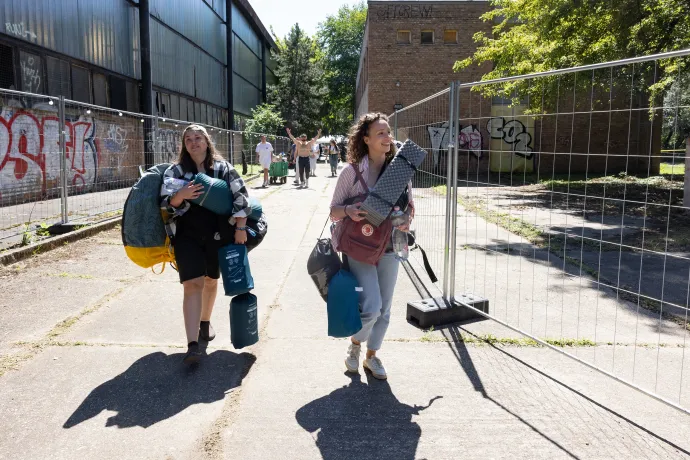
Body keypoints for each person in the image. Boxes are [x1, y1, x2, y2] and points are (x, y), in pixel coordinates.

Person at [329, 113, 414, 380]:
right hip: (360, 248)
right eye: (380, 133)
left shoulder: (399, 171)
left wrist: (406, 221)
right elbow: (333, 211)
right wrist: (349, 210)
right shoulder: (351, 172)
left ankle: (372, 356)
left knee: (385, 310)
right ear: (365, 139)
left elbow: (409, 206)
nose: (388, 137)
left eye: (388, 132)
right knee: (372, 307)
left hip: (391, 245)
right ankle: (355, 346)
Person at [160, 124, 251, 365]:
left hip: (218, 234)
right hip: (186, 234)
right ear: (184, 145)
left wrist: (240, 228)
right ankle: (192, 346)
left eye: (198, 138)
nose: (193, 142)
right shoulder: (176, 170)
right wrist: (181, 195)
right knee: (192, 284)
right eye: (188, 139)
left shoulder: (223, 168)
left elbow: (241, 197)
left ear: (207, 141)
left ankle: (204, 322)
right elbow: (165, 204)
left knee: (211, 281)